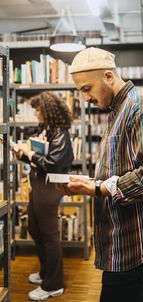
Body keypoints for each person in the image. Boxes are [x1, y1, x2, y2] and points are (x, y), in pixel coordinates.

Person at [56, 47, 143, 302]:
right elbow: (119, 171)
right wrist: (91, 183)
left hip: (134, 245)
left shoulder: (142, 108)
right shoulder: (118, 110)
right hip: (119, 242)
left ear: (108, 76)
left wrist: (97, 189)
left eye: (87, 89)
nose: (85, 98)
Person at [12, 91, 74, 301]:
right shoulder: (46, 130)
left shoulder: (60, 133)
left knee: (49, 235)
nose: (36, 112)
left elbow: (53, 164)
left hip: (50, 186)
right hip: (38, 183)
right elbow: (39, 161)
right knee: (34, 228)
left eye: (38, 109)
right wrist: (22, 155)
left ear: (47, 110)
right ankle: (46, 272)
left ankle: (53, 284)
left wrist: (29, 154)